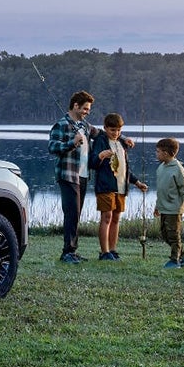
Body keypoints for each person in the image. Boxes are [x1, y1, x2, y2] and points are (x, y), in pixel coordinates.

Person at [48, 91, 133, 264]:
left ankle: (72, 251)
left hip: (84, 175)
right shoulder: (61, 125)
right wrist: (72, 143)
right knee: (71, 213)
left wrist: (123, 137)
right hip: (68, 175)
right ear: (76, 106)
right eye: (85, 108)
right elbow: (52, 147)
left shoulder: (85, 126)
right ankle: (67, 253)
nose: (87, 111)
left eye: (89, 109)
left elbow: (103, 133)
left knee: (77, 214)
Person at [89, 113, 148, 260]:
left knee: (116, 218)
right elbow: (92, 164)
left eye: (118, 130)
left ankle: (113, 250)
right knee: (106, 217)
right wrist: (101, 156)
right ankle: (104, 252)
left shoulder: (121, 143)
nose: (115, 133)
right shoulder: (100, 141)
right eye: (112, 130)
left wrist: (137, 182)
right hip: (105, 186)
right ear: (105, 128)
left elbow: (125, 168)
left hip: (121, 187)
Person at [153, 137, 184, 268]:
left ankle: (175, 260)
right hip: (163, 207)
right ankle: (183, 257)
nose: (156, 154)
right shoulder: (161, 168)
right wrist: (157, 206)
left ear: (166, 153)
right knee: (165, 234)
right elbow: (161, 190)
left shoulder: (177, 169)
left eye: (158, 151)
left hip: (174, 209)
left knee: (173, 235)